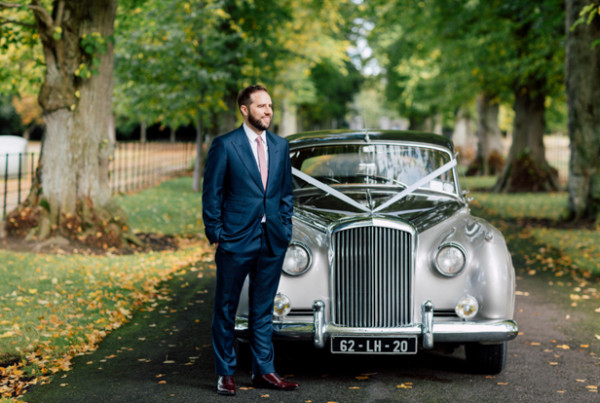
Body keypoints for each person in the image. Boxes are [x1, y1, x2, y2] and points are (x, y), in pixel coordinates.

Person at [202, 85, 298, 396]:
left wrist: (284, 226)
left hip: (272, 239)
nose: (268, 111)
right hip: (235, 239)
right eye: (261, 106)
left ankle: (264, 371)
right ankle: (225, 373)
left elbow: (284, 193)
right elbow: (212, 192)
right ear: (245, 110)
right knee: (226, 307)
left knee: (262, 308)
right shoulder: (225, 145)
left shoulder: (281, 146)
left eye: (270, 106)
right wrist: (216, 232)